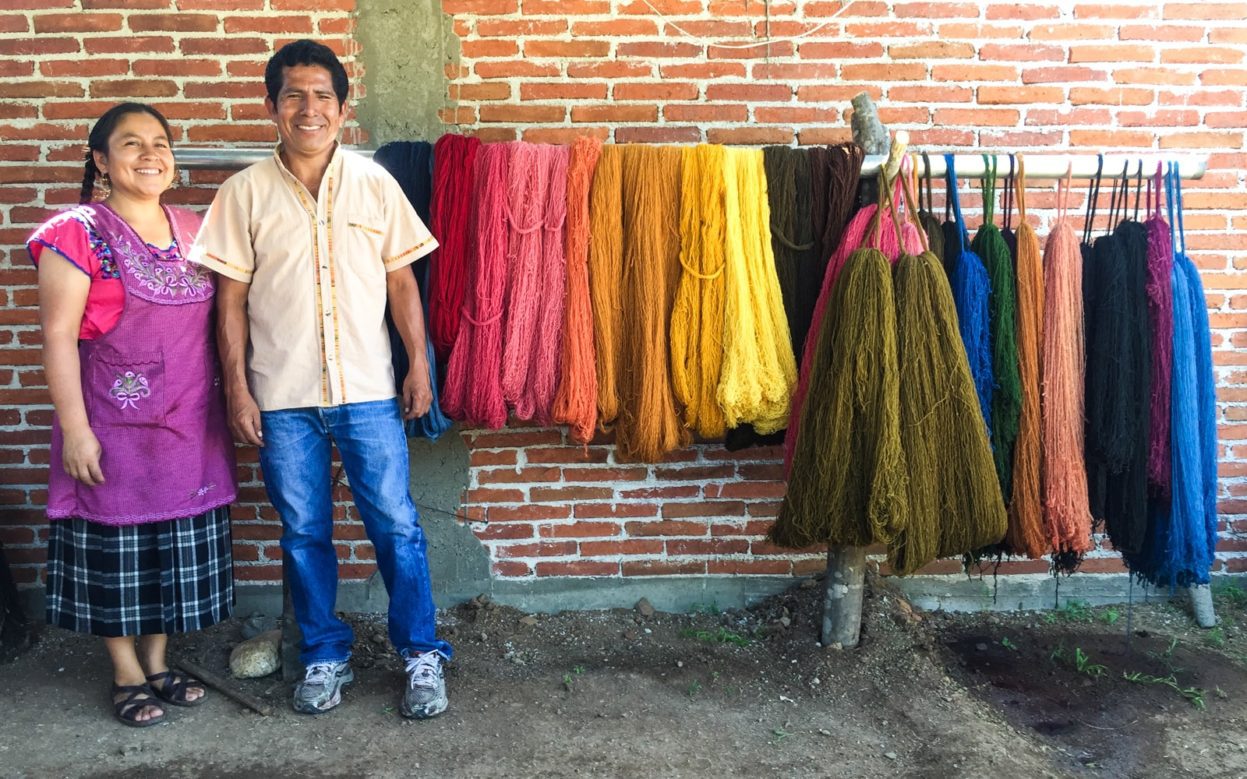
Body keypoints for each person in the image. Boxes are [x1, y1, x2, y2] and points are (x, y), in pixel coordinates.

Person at [189, 39, 452, 719]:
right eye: (294, 95)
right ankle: (323, 655)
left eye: (322, 96)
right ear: (271, 105)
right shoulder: (242, 193)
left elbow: (401, 280)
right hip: (282, 398)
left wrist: (417, 361)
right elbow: (230, 303)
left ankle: (421, 654)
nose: (309, 109)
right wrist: (238, 389)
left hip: (368, 389)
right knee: (304, 531)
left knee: (396, 525)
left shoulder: (374, 184)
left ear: (342, 107)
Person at [28, 102, 237, 727]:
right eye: (131, 144)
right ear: (101, 160)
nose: (151, 155)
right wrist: (77, 431)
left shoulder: (195, 228)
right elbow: (58, 336)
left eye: (161, 143)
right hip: (112, 424)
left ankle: (159, 662)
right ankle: (125, 673)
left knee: (169, 550)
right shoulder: (77, 232)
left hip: (188, 422)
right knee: (115, 551)